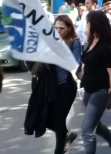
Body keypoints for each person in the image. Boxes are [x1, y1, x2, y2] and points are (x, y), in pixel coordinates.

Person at [80, 11, 111, 153]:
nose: (86, 24)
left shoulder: (106, 47)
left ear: (95, 25)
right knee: (94, 124)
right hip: (88, 89)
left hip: (101, 91)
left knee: (87, 131)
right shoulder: (91, 40)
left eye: (88, 22)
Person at [45, 15, 81, 154]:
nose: (58, 31)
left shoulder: (74, 42)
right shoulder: (51, 41)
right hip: (53, 86)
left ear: (69, 28)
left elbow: (76, 63)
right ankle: (67, 134)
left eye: (62, 28)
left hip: (67, 86)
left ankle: (59, 150)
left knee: (59, 120)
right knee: (47, 119)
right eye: (55, 28)